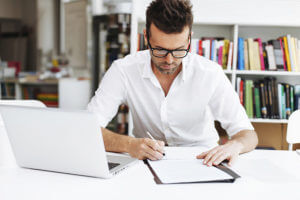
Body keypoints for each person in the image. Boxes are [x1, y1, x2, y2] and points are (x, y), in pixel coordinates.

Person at [87, 0, 258, 167]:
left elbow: (248, 134)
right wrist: (129, 145)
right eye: (160, 50)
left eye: (178, 50)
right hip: (147, 162)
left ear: (189, 39)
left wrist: (234, 145)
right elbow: (88, 128)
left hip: (203, 162)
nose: (169, 60)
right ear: (146, 37)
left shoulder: (210, 73)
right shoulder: (123, 70)